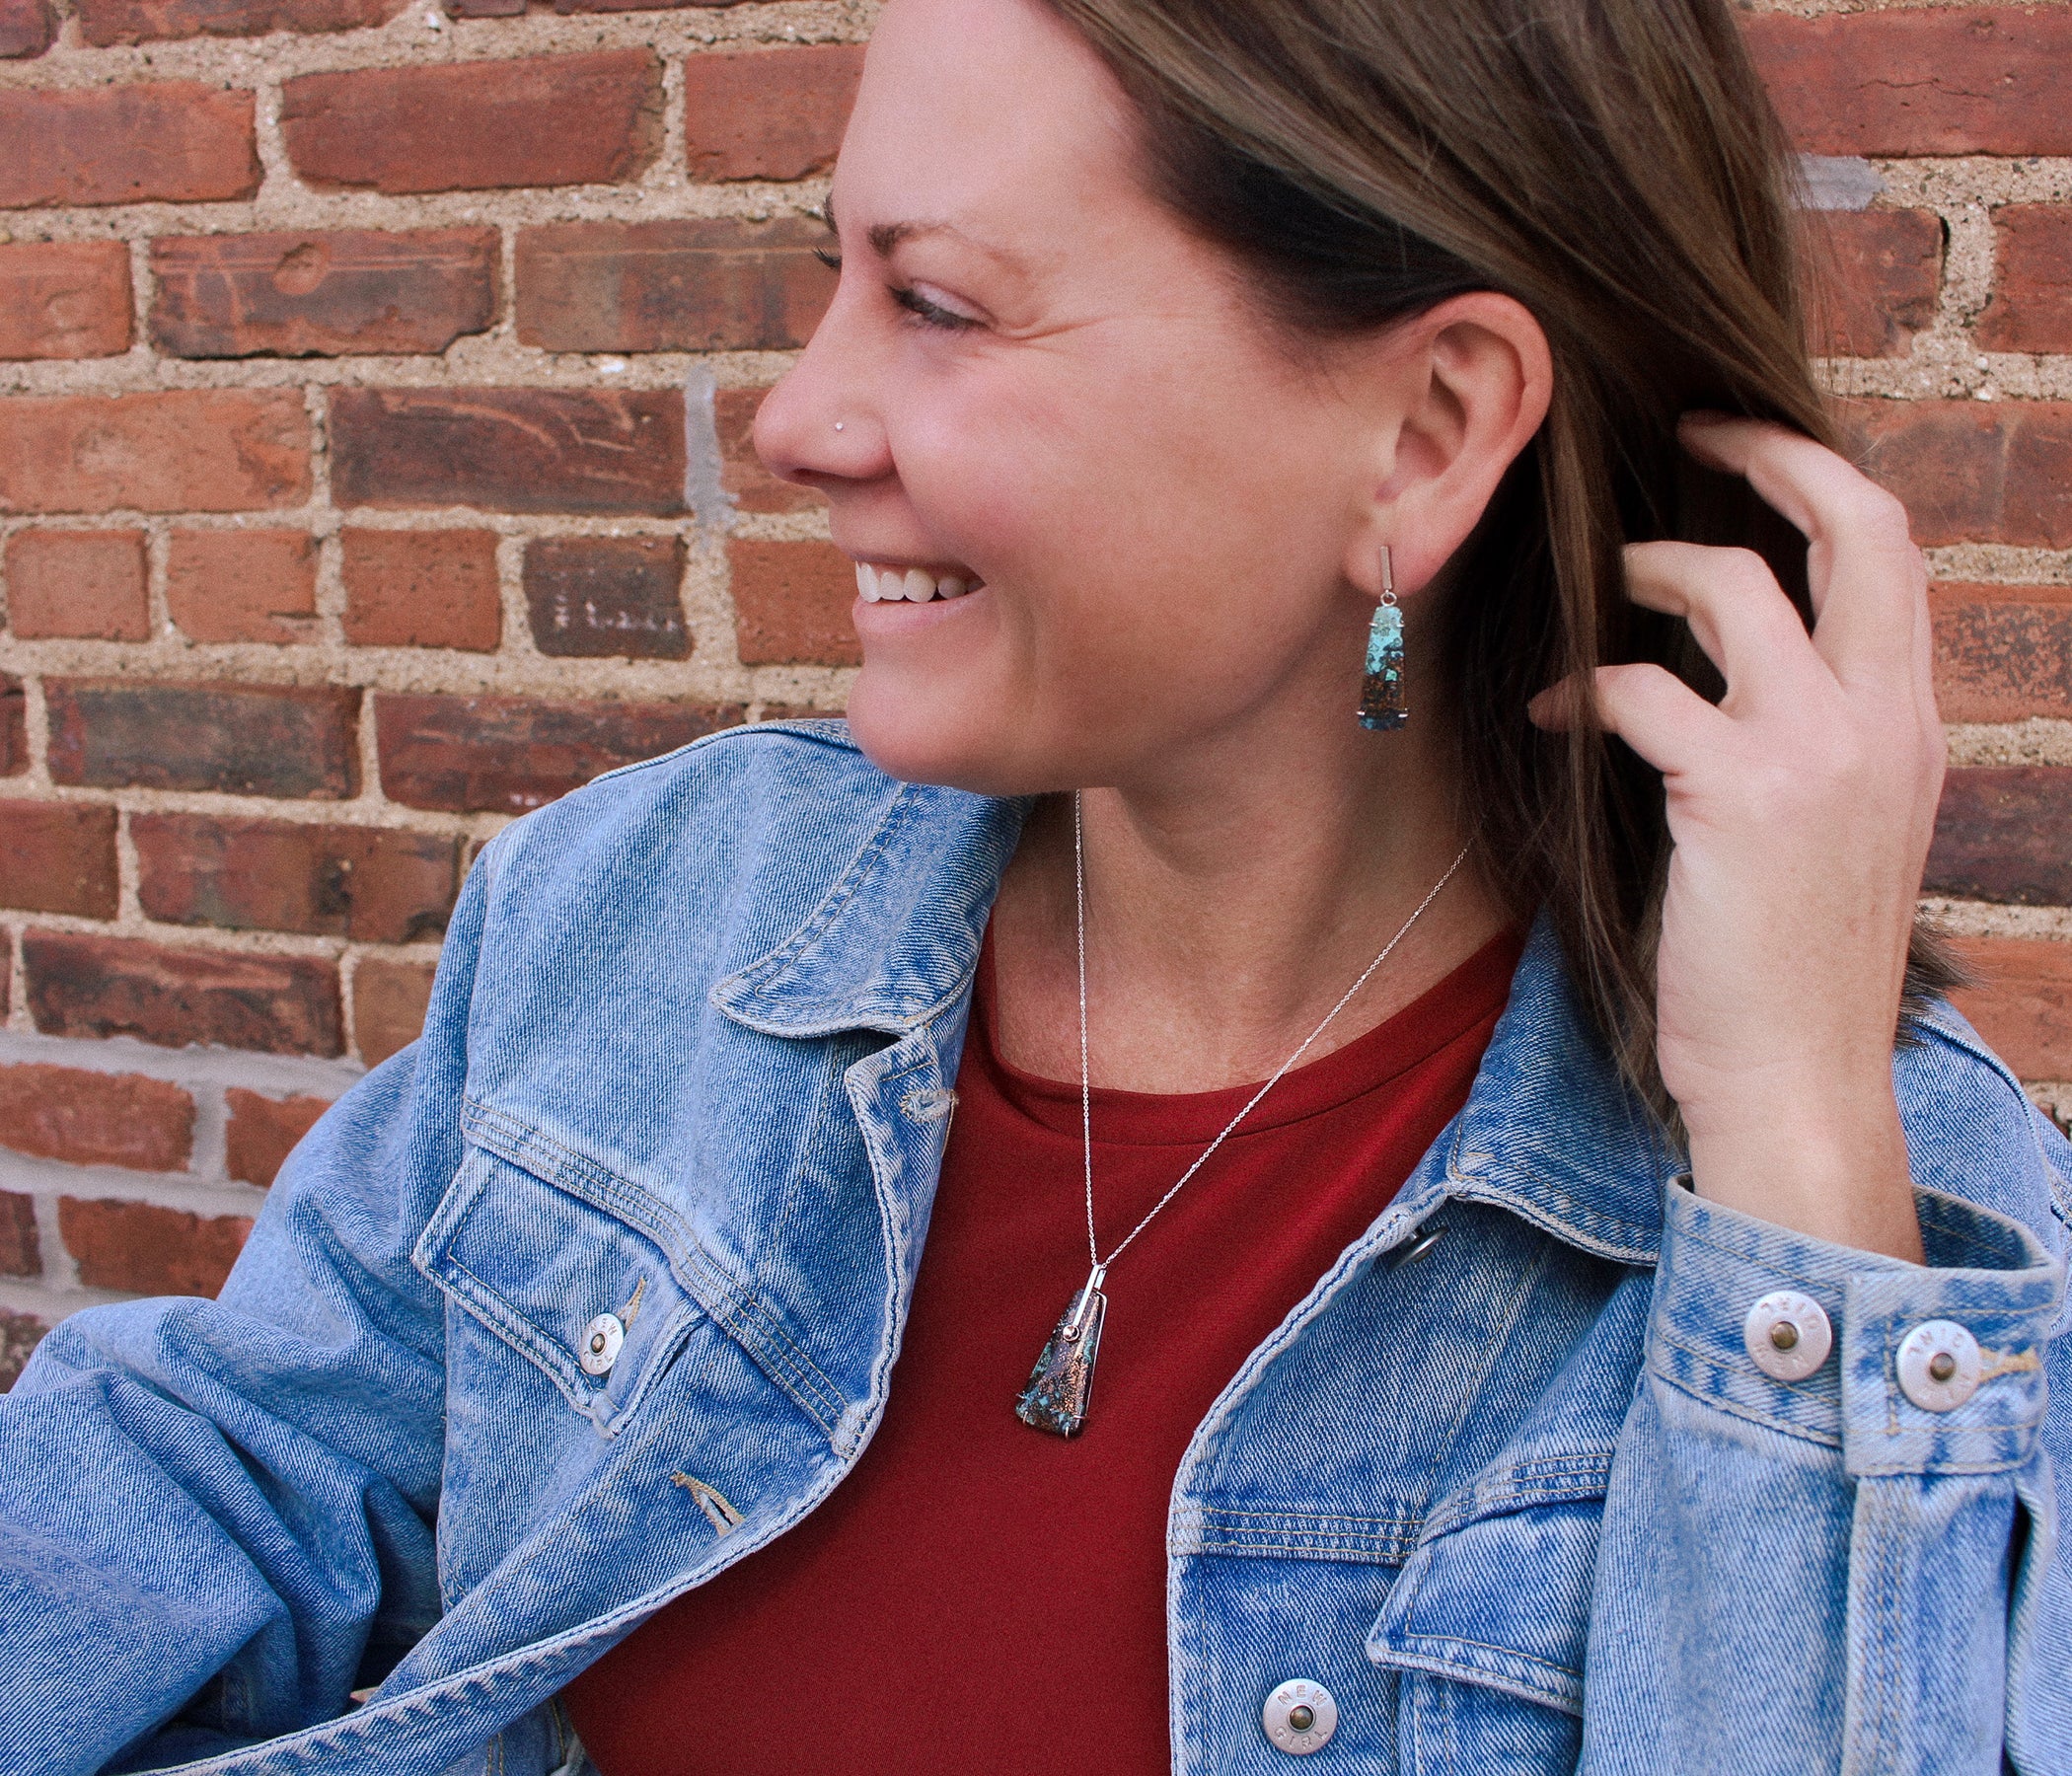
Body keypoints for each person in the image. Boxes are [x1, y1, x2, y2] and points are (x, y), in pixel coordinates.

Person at [4, 0, 2067, 1770]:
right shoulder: (649, 910)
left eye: (934, 303)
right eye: (828, 277)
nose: (799, 418)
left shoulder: (1901, 1240)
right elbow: (230, 1474)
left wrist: (1800, 1161)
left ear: (1428, 431)